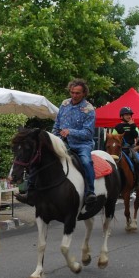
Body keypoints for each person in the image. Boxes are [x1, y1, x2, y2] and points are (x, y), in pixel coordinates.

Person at [43, 78, 97, 212]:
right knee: (43, 156)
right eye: (72, 92)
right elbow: (57, 124)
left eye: (77, 93)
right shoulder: (64, 104)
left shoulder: (89, 109)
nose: (74, 95)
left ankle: (90, 192)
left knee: (86, 162)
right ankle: (33, 189)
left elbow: (88, 133)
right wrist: (53, 137)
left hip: (82, 144)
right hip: (62, 142)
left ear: (84, 93)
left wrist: (70, 131)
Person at [111, 107, 139, 189]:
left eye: (130, 114)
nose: (129, 116)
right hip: (120, 149)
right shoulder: (118, 127)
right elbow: (113, 137)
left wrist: (132, 126)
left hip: (130, 149)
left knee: (137, 161)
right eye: (126, 114)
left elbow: (135, 135)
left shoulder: (133, 125)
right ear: (122, 116)